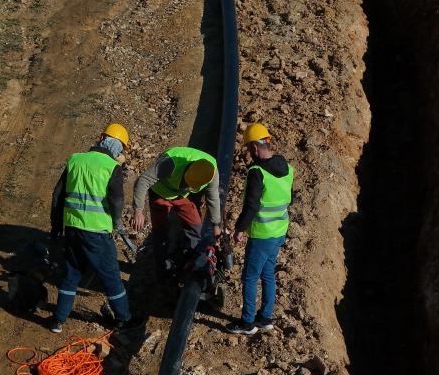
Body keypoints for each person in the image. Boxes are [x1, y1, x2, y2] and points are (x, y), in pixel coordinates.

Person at [48, 123, 133, 334]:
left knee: (72, 273)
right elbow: (116, 201)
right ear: (119, 148)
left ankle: (58, 320)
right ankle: (124, 319)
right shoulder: (111, 167)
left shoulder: (76, 160)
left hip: (73, 229)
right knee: (111, 276)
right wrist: (117, 223)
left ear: (101, 138)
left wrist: (57, 227)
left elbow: (57, 196)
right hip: (97, 232)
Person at [229, 122, 293, 335]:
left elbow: (252, 205)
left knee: (249, 276)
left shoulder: (257, 172)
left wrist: (239, 229)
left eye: (248, 149)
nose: (249, 153)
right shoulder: (288, 169)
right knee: (267, 274)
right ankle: (265, 318)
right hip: (279, 231)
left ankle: (247, 323)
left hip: (262, 234)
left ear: (255, 148)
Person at [130, 146, 222, 281]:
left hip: (182, 196)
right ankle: (163, 273)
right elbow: (142, 181)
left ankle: (191, 265)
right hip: (160, 193)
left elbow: (213, 197)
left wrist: (216, 224)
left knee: (196, 227)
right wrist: (138, 210)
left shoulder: (211, 172)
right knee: (161, 233)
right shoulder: (170, 163)